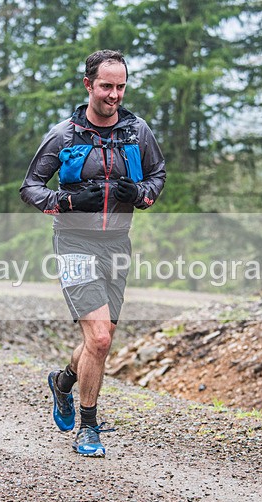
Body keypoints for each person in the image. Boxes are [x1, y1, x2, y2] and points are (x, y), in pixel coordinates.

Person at [20, 50, 166, 457]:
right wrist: (64, 201)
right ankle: (88, 428)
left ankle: (63, 381)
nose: (114, 95)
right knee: (100, 338)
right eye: (106, 86)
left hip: (117, 243)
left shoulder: (137, 132)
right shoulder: (64, 135)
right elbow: (30, 187)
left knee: (99, 340)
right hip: (74, 242)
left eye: (121, 87)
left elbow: (157, 176)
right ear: (88, 85)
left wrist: (140, 193)